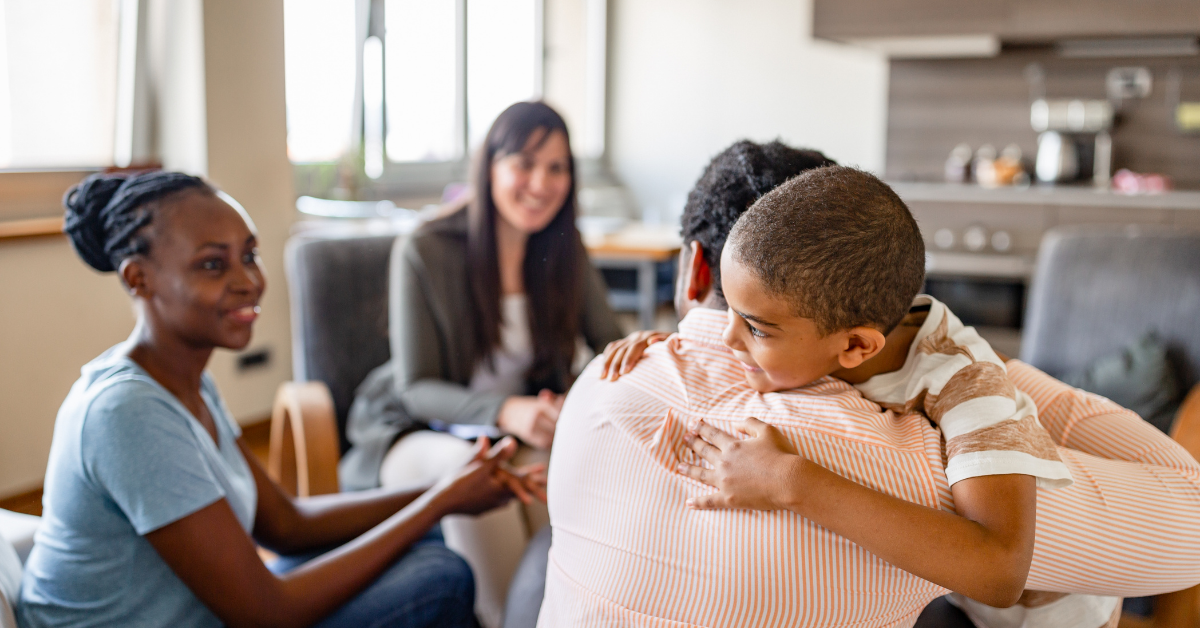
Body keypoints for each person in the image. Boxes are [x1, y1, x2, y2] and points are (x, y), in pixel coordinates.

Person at [539, 141, 1200, 627]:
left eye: (755, 327)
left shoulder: (600, 384)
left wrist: (793, 481)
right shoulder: (881, 436)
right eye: (728, 317)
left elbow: (1002, 573)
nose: (725, 340)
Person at [18, 170, 545, 628]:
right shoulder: (125, 413)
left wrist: (447, 488)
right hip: (240, 615)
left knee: (428, 545)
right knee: (441, 576)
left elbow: (286, 525)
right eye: (212, 265)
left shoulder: (185, 381)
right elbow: (268, 614)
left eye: (249, 255)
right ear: (139, 279)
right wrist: (441, 501)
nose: (248, 281)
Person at [340, 101, 623, 626]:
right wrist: (505, 410)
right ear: (489, 166)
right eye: (524, 163)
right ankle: (500, 617)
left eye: (557, 167)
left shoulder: (565, 249)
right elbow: (416, 386)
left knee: (559, 453)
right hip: (414, 431)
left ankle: (553, 611)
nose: (541, 182)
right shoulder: (425, 249)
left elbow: (611, 349)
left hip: (507, 431)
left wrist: (571, 401)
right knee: (472, 471)